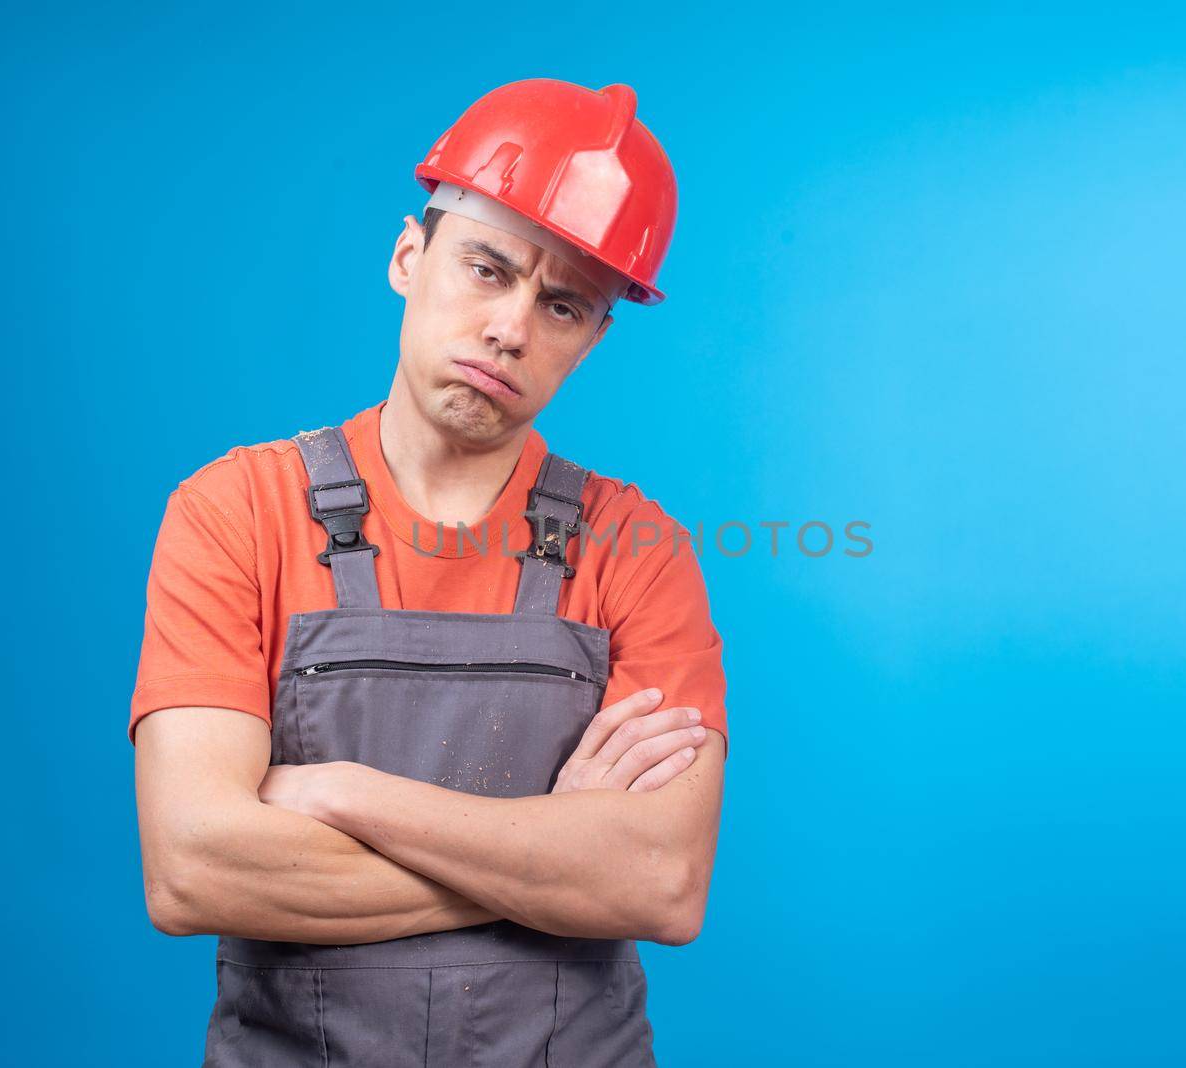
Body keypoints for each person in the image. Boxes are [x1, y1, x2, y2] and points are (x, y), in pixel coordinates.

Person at [129, 78, 728, 1067]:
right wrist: (556, 858)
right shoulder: (232, 511)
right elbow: (194, 870)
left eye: (563, 304)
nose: (511, 328)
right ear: (410, 256)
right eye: (487, 268)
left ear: (593, 337)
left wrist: (346, 794)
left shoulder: (637, 547)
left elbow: (660, 885)